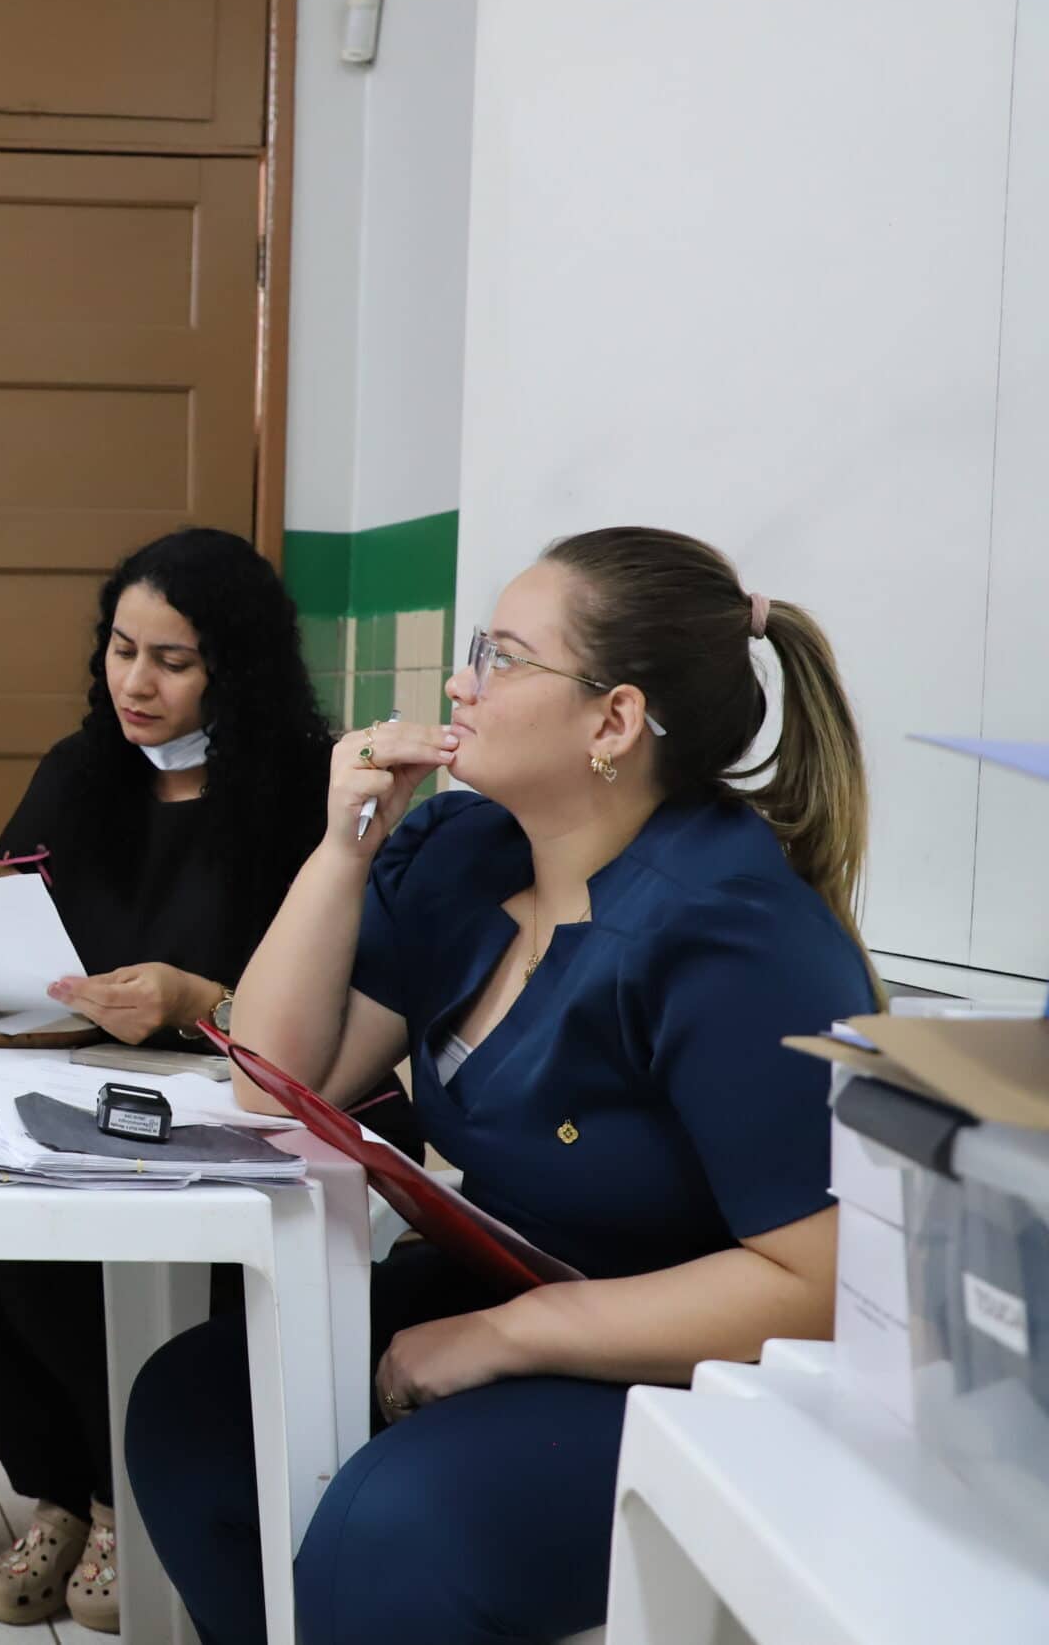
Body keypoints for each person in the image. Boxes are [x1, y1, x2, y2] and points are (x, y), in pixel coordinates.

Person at [122, 527, 881, 1645]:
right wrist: (344, 849)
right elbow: (277, 1080)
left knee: (394, 1529)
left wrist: (516, 1335)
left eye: (502, 656)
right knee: (196, 1409)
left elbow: (821, 1288)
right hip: (512, 1288)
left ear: (612, 721)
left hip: (687, 1370)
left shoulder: (730, 933)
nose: (458, 682)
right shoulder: (467, 849)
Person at [0, 529, 419, 1632]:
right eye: (120, 650)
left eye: (172, 660)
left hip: (252, 1115)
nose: (135, 683)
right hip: (89, 1095)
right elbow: (23, 944)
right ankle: (63, 1490)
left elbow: (340, 1009)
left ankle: (122, 1502)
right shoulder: (81, 773)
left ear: (235, 668)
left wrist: (193, 998)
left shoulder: (310, 791)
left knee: (48, 1271)